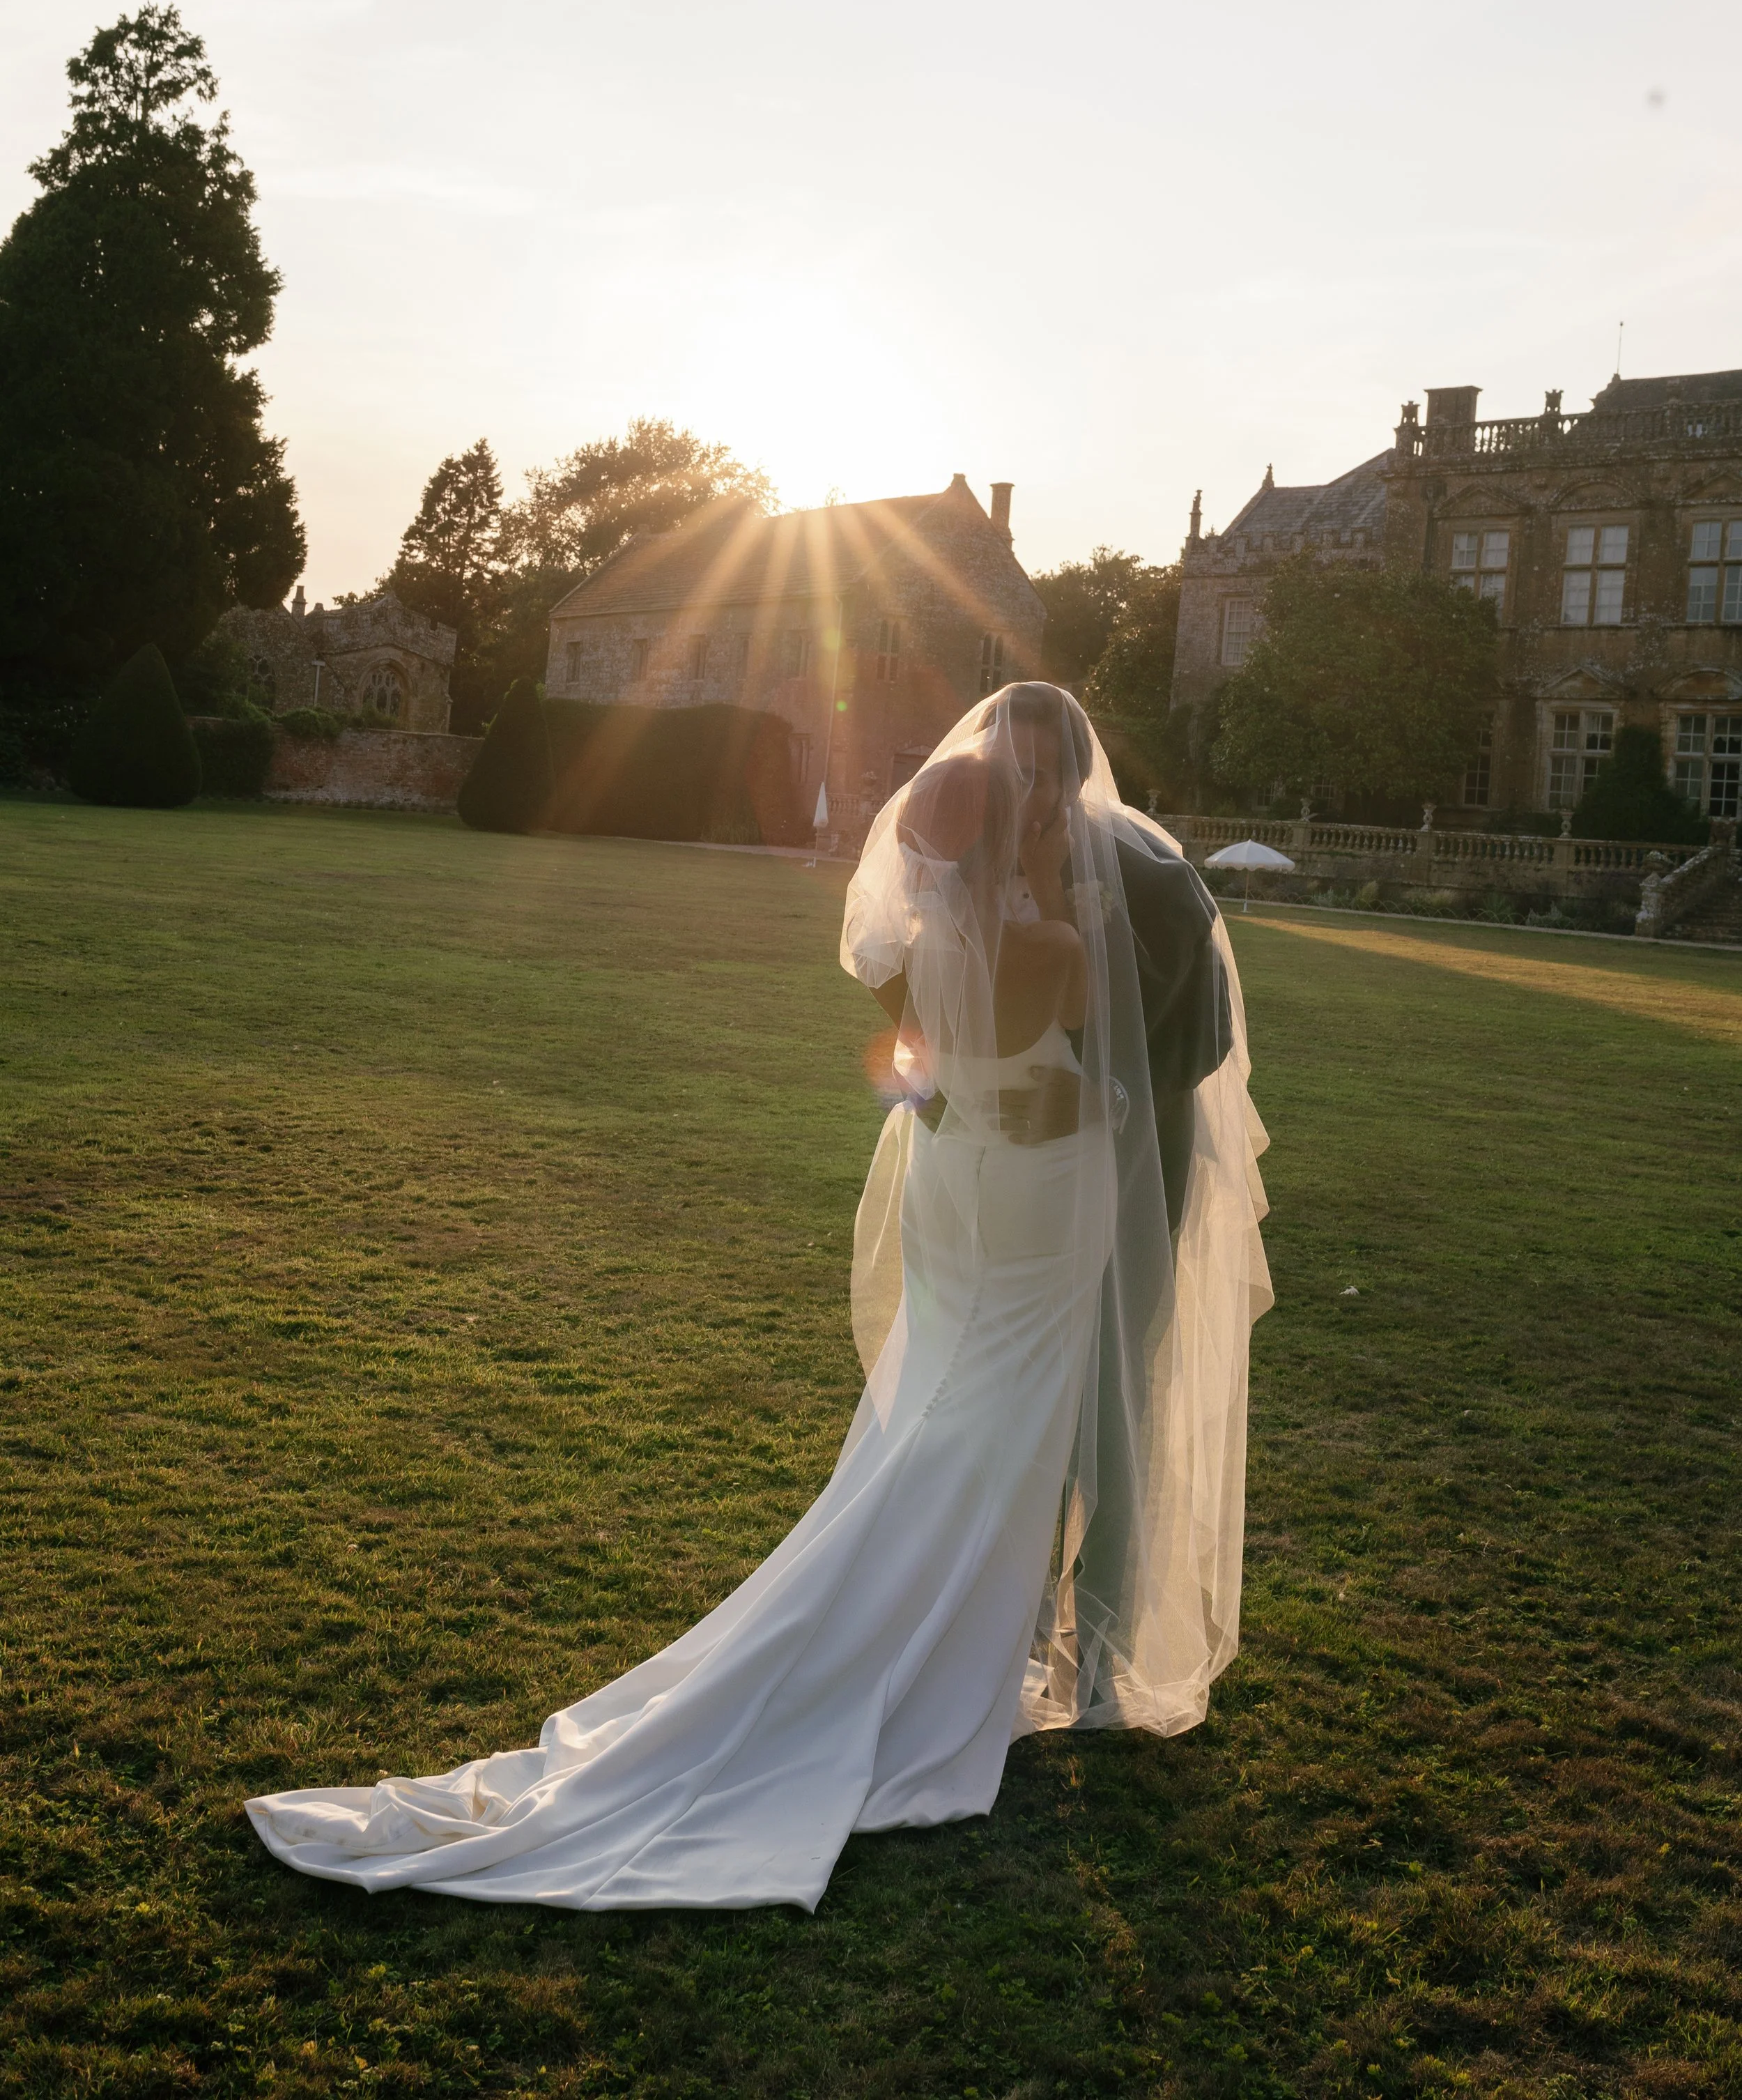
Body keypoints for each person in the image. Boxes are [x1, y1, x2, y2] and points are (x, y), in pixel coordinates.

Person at [245, 689, 1272, 1913]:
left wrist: (976, 1083)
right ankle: (969, 1647)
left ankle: (999, 1629)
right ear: (999, 804)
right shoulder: (1061, 940)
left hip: (970, 1185)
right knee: (1006, 1416)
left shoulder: (935, 939)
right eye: (1019, 783)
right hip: (1038, 1203)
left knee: (961, 1414)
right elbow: (1089, 1043)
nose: (1039, 801)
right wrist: (1048, 946)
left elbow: (920, 1061)